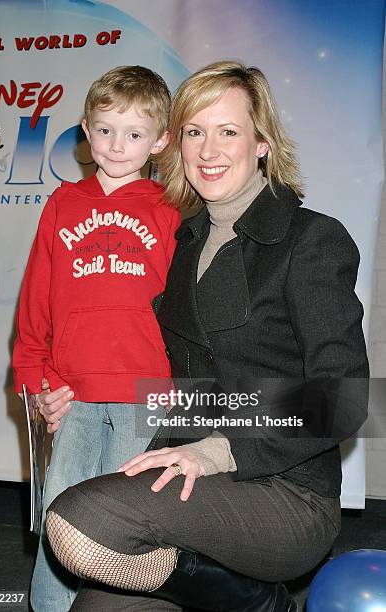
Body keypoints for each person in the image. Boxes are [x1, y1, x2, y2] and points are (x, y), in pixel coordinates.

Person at [43, 61, 369, 612]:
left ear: (262, 142)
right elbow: (151, 357)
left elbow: (345, 399)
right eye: (195, 131)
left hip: (284, 494)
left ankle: (263, 604)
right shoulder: (184, 242)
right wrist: (68, 387)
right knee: (94, 602)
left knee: (77, 523)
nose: (208, 150)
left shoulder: (312, 239)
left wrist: (219, 450)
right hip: (189, 471)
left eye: (228, 131)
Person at [12, 65, 180, 612]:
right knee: (64, 517)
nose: (117, 144)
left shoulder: (171, 209)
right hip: (73, 393)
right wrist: (36, 379)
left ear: (160, 140)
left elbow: (186, 311)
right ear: (86, 129)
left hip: (146, 393)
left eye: (134, 134)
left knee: (123, 524)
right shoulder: (61, 206)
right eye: (106, 129)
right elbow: (36, 298)